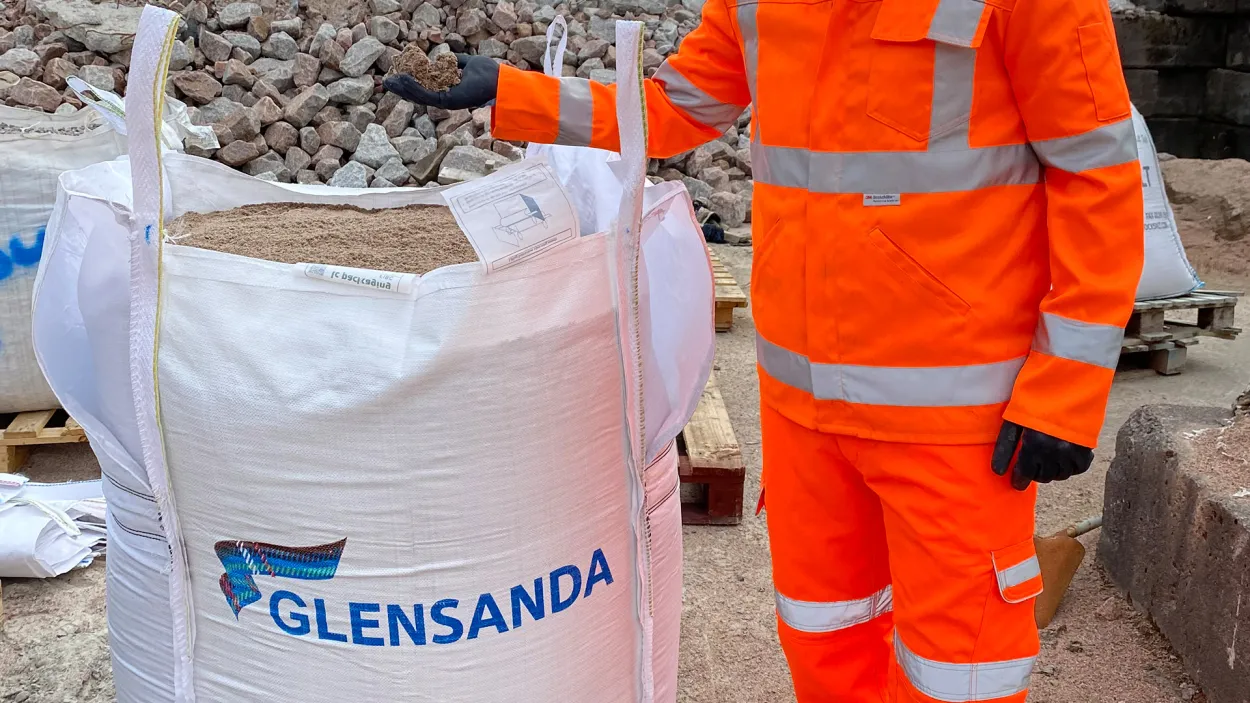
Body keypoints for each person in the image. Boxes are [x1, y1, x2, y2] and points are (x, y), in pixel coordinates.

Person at [385, 0, 1144, 699]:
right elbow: (674, 108)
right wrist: (516, 96)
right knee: (824, 638)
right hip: (805, 412)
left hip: (953, 420)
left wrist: (1065, 390)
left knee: (960, 669)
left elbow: (1098, 178)